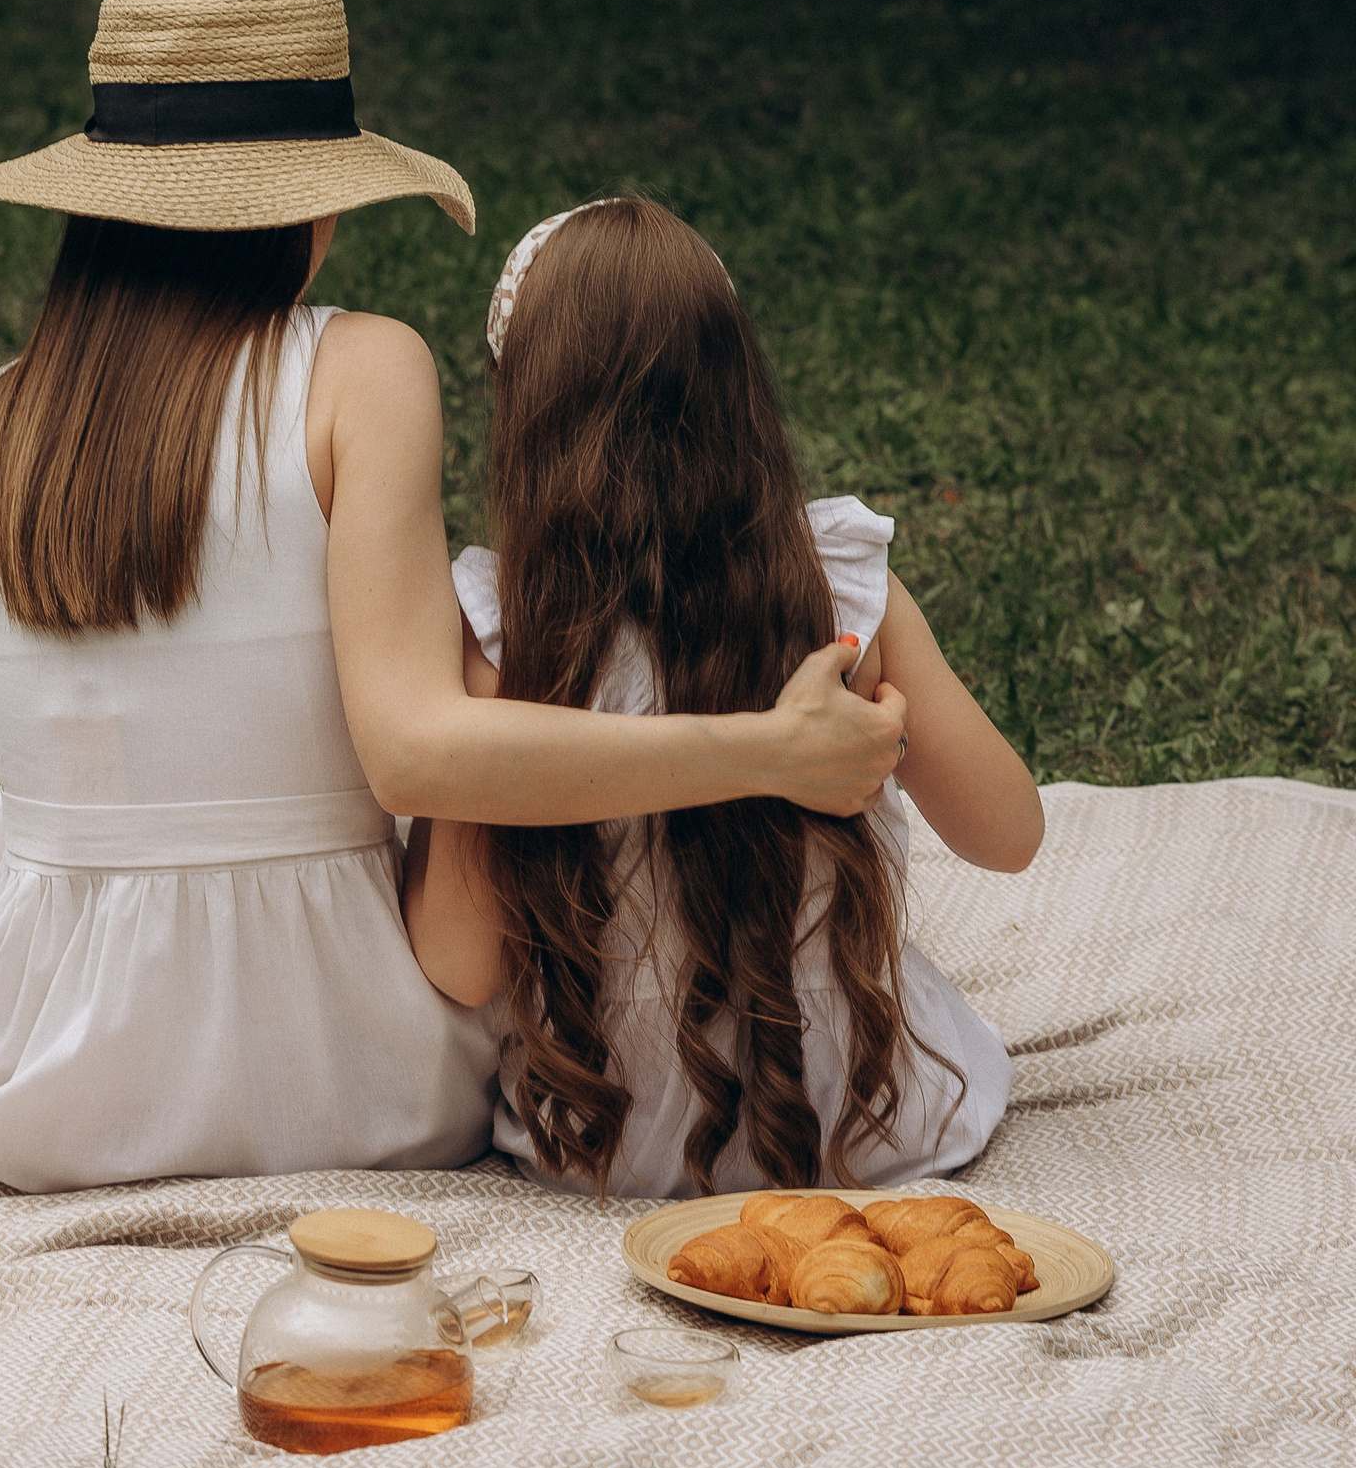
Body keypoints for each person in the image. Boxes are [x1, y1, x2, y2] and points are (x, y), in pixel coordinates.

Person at [0, 0, 906, 1194]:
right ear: (312, 204)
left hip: (34, 1068)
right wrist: (766, 748)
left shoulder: (0, 423)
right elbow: (418, 752)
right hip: (334, 1066)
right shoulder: (359, 369)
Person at [403, 196, 1045, 1200]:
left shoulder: (499, 635)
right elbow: (1008, 830)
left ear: (520, 411)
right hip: (861, 1119)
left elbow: (462, 961)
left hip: (602, 1137)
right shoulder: (839, 588)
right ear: (737, 385)